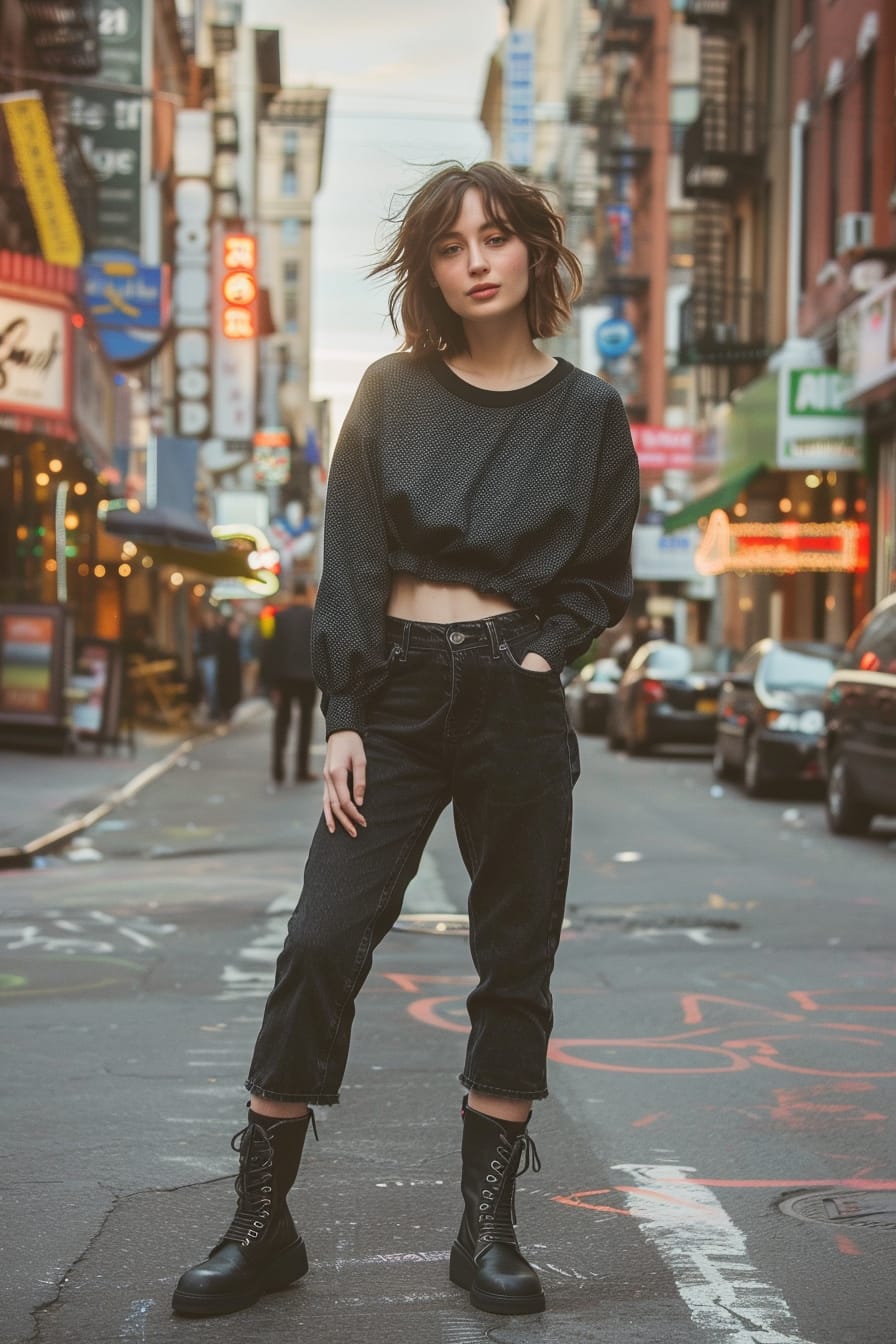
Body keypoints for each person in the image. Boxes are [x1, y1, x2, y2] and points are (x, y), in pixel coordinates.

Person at [172, 160, 639, 1320]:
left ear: (533, 249)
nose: (475, 259)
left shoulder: (586, 414)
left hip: (513, 703)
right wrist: (340, 715)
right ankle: (260, 1221)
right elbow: (352, 565)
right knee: (323, 939)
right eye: (449, 245)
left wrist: (537, 656)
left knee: (512, 956)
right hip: (391, 702)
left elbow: (601, 577)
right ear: (428, 269)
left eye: (494, 237)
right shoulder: (388, 391)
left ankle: (484, 1232)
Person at [264, 580, 318, 784]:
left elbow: (270, 649)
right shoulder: (313, 616)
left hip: (283, 677)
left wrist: (270, 683)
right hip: (306, 677)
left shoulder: (278, 617)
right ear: (306, 593)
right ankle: (301, 770)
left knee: (282, 722)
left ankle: (278, 767)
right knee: (305, 724)